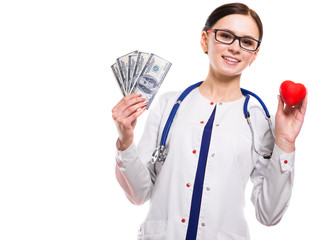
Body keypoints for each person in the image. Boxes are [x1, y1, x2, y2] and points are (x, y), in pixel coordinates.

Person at [112, 2, 307, 240]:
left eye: (246, 42)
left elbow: (269, 214)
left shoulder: (258, 121)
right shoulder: (169, 105)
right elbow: (139, 194)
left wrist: (285, 143)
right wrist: (125, 141)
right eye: (226, 36)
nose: (235, 48)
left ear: (254, 55)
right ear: (205, 40)